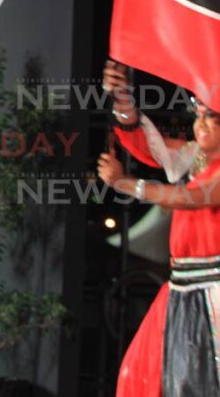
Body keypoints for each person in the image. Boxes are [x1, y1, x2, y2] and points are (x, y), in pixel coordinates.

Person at [99, 59, 220, 396]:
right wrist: (122, 97)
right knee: (139, 378)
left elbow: (189, 197)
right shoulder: (195, 158)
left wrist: (126, 184)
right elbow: (149, 145)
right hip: (180, 288)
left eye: (213, 118)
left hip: (214, 294)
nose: (202, 125)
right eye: (200, 115)